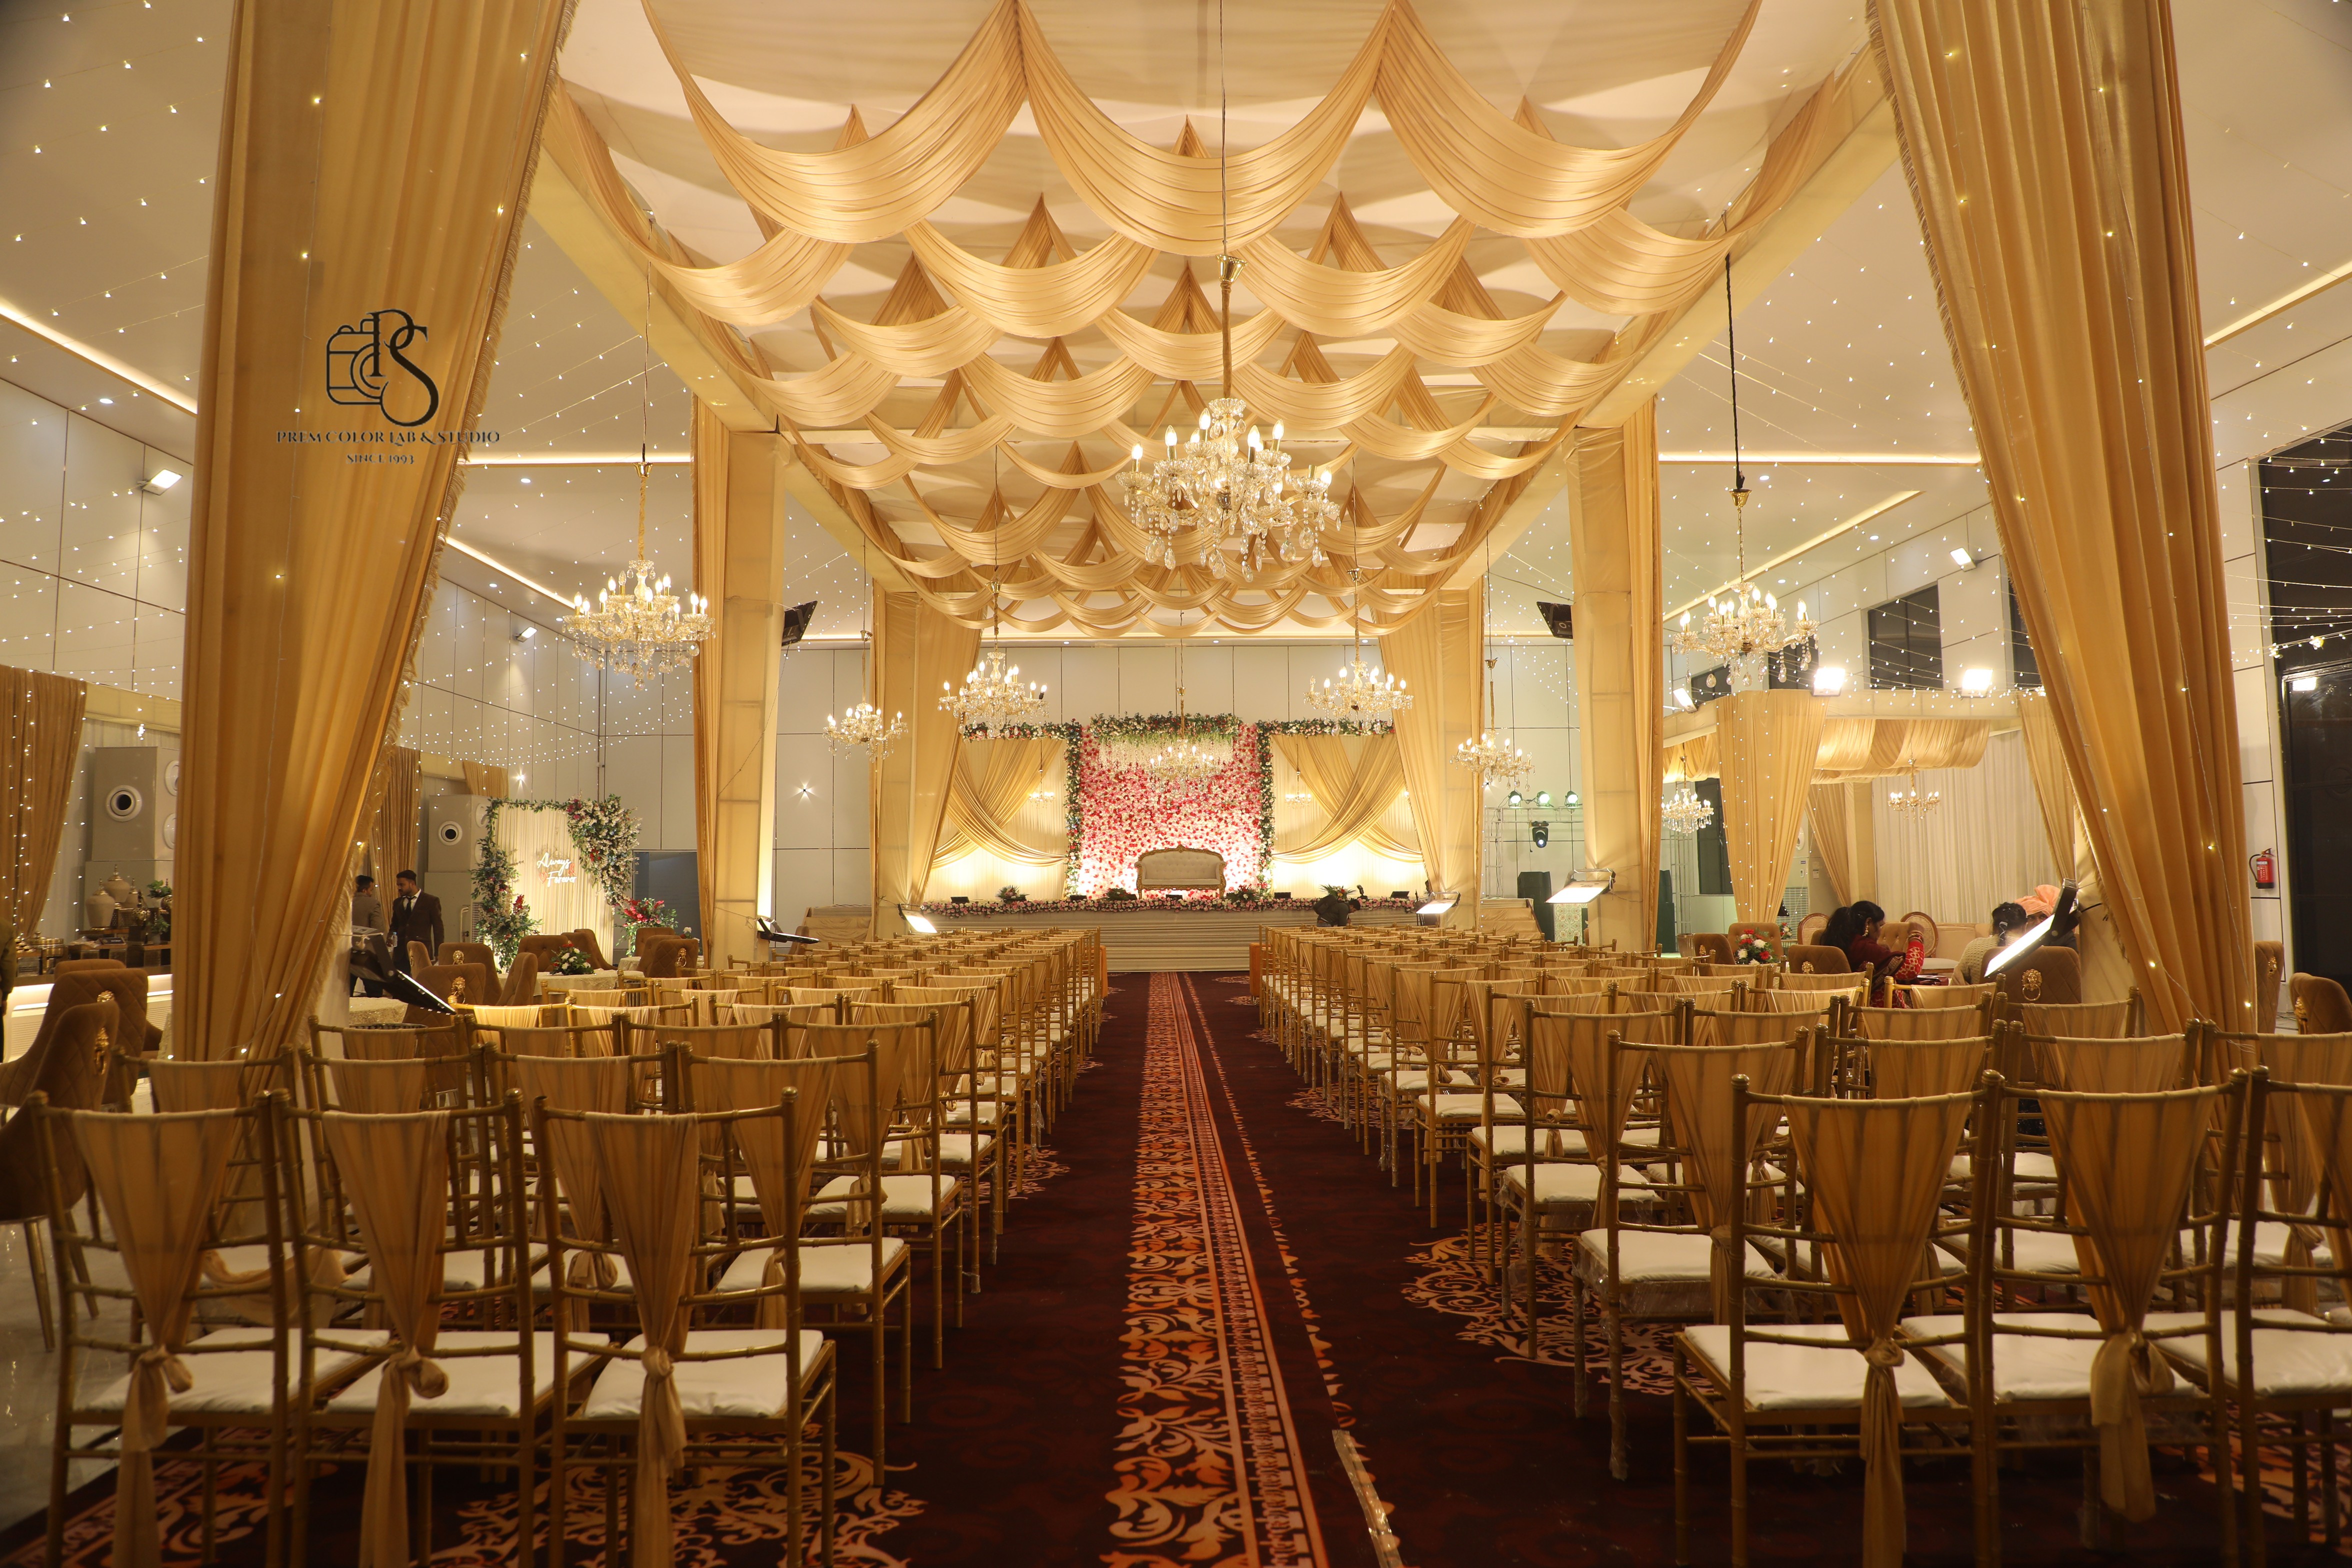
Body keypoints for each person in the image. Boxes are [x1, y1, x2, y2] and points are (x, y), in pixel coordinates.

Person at [1958, 902, 2030, 984]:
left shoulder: (1974, 946)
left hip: (1982, 993)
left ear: (1994, 926)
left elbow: (1960, 979)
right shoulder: (2033, 949)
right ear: (2024, 926)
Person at [388, 870, 444, 972]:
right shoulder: (398, 902)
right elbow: (395, 924)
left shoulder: (430, 901)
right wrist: (391, 936)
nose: (399, 888)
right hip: (400, 952)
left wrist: (438, 952)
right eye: (398, 885)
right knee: (400, 980)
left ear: (412, 884)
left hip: (421, 949)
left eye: (402, 885)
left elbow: (438, 928)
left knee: (420, 979)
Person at [350, 875, 386, 997]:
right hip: (367, 954)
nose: (371, 893)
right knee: (374, 993)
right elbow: (378, 930)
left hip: (346, 955)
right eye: (371, 890)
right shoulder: (373, 904)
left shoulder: (344, 904)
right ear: (365, 890)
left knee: (346, 994)